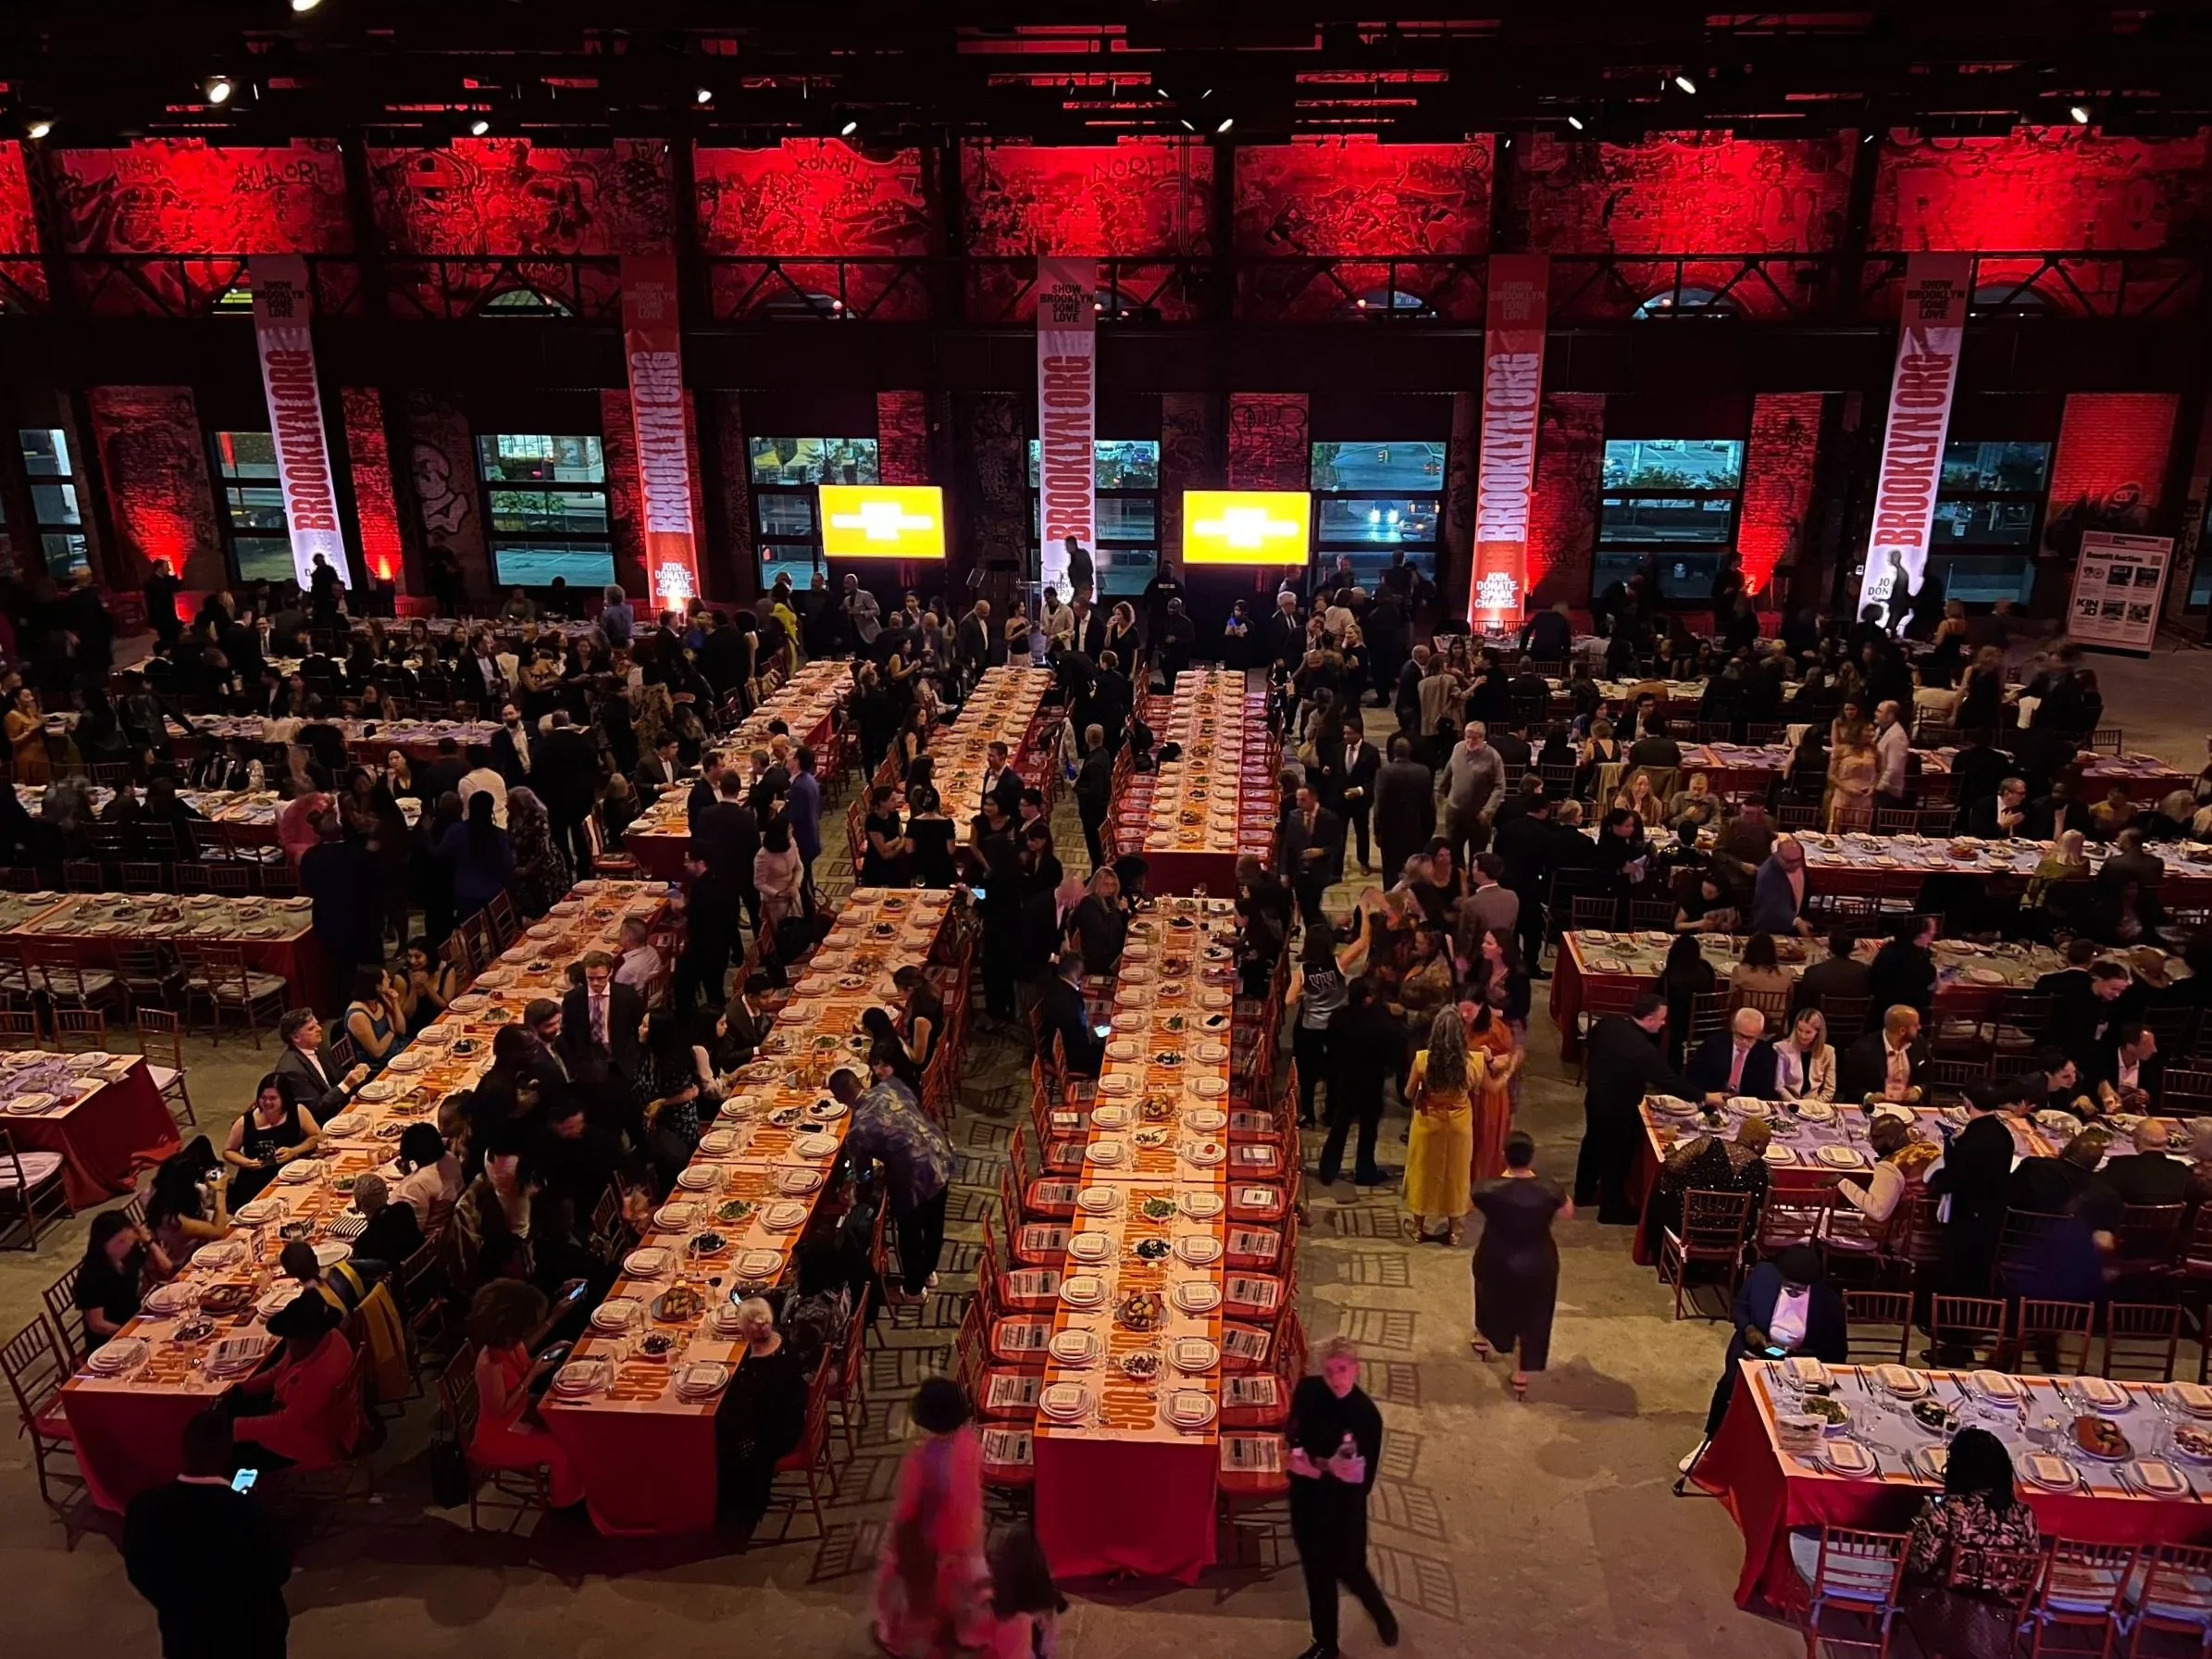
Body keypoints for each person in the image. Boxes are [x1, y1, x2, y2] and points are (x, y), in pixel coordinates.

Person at [124, 1409, 292, 1659]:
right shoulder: (248, 1510)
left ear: (184, 1451)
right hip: (252, 1636)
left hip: (184, 1636)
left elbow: (139, 1573)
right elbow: (278, 1570)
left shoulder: (142, 1507)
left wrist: (177, 1604)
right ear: (228, 1455)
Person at [1286, 1335, 1397, 1659]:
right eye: (1330, 1370)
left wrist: (1314, 1466)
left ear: (1356, 1369)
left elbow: (1359, 1481)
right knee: (1316, 1575)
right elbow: (1295, 1434)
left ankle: (1382, 1615)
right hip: (1306, 1501)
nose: (1337, 1378)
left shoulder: (1365, 1417)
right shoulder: (1308, 1391)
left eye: (1343, 1369)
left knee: (1351, 1570)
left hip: (1343, 1512)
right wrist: (1314, 1462)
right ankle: (1325, 1644)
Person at [1691, 1244, 1846, 1465]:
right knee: (1728, 1386)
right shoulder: (1763, 1275)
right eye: (1788, 1286)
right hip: (1756, 1349)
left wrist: (1798, 1357)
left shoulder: (1829, 1303)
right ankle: (1711, 1440)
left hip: (1798, 1360)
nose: (1792, 1292)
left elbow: (1836, 1351)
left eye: (1799, 1290)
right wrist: (1749, 1328)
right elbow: (1740, 1307)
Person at [1896, 1428, 2043, 1659]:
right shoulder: (2024, 1514)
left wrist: (1918, 1524)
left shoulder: (1947, 1514)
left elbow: (1918, 1564)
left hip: (1946, 1615)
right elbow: (2030, 1566)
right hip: (2000, 1619)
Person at [873, 1378, 988, 1657]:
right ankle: (965, 1632)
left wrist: (896, 1543)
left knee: (910, 1599)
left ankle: (900, 1641)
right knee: (964, 1592)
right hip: (965, 1534)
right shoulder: (969, 1443)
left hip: (932, 1543)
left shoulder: (922, 1459)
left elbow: (908, 1510)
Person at [832, 1060, 954, 1301]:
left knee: (909, 1231)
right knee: (934, 1223)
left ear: (839, 1100)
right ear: (860, 1083)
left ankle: (913, 1289)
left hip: (914, 1178)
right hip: (939, 1155)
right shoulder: (891, 1088)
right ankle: (929, 1271)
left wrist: (862, 1199)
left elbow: (864, 1175)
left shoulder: (858, 1130)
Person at [466, 1280, 586, 1508]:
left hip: (522, 1412)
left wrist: (547, 1352)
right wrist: (532, 1375)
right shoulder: (489, 1364)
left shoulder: (507, 1343)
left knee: (570, 1426)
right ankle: (565, 1503)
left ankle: (578, 1488)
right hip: (501, 1433)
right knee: (559, 1449)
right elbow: (499, 1410)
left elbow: (525, 1352)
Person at [1470, 1130, 1570, 1400]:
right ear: (1531, 1157)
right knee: (1533, 1314)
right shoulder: (1550, 1190)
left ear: (1505, 1155)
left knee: (1487, 1293)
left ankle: (1482, 1336)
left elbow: (1475, 1203)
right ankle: (1520, 1373)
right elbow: (1567, 1213)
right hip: (1537, 1259)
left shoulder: (1486, 1189)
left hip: (1497, 1255)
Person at [1576, 993, 1687, 1223]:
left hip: (1595, 1097)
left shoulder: (1608, 1024)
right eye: (1661, 1018)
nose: (1664, 1023)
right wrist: (1704, 1097)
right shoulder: (1642, 1049)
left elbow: (1590, 1045)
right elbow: (1668, 1080)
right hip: (1619, 1108)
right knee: (1617, 1157)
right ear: (1648, 1019)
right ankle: (1612, 1209)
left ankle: (1583, 1192)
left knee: (1592, 1144)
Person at [229, 1293, 362, 1471]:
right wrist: (242, 1388)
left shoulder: (320, 1374)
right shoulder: (328, 1337)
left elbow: (284, 1423)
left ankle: (253, 1493)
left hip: (318, 1438)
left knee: (238, 1451)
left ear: (306, 1337)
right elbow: (278, 1371)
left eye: (289, 1337)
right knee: (239, 1405)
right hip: (313, 1416)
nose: (286, 1341)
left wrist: (234, 1428)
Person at [715, 1297, 811, 1534]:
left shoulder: (755, 1373)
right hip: (793, 1419)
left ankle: (737, 1509)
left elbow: (742, 1414)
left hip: (775, 1437)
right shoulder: (784, 1341)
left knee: (718, 1435)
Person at [1318, 978, 1402, 1188]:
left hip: (1346, 1078)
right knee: (1368, 1128)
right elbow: (1393, 1050)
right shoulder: (1381, 1021)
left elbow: (1330, 1043)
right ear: (1367, 998)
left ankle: (1328, 1169)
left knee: (1340, 1124)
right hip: (1372, 1081)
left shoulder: (1338, 1017)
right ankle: (1364, 1171)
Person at [1402, 1006, 1475, 1243]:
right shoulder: (1471, 1062)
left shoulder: (1423, 1059)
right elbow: (1479, 1086)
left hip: (1428, 1122)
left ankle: (1417, 1228)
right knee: (1456, 1174)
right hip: (1459, 1125)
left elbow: (1407, 1093)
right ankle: (1455, 1231)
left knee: (1422, 1172)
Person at [223, 1072, 328, 1208]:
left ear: (284, 1098)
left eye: (273, 1098)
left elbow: (318, 1136)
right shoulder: (245, 1121)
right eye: (263, 1098)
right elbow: (228, 1151)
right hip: (255, 1182)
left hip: (291, 1175)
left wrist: (294, 1151)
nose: (267, 1102)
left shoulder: (298, 1112)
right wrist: (247, 1162)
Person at [75, 1208, 168, 1351]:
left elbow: (166, 1268)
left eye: (128, 1239)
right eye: (120, 1241)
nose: (128, 1244)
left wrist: (148, 1241)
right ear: (103, 1243)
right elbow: (97, 1324)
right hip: (111, 1340)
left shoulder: (128, 1254)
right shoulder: (90, 1276)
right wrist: (132, 1332)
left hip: (137, 1321)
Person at [1837, 1004, 1926, 1103]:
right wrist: (1868, 1096)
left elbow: (1928, 1077)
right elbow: (1849, 1083)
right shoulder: (1863, 1049)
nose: (1919, 1027)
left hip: (1908, 1107)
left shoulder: (1919, 1045)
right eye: (1915, 1025)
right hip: (1876, 1108)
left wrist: (1918, 1090)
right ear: (1902, 1030)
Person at [1687, 1005, 1781, 1100]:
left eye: (1750, 1038)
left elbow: (1764, 1093)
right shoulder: (1713, 1044)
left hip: (1746, 1106)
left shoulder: (1767, 1054)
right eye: (1741, 1036)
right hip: (1713, 1101)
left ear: (1759, 1035)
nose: (1744, 1042)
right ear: (1733, 1029)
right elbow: (1695, 1079)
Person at [2102, 1116, 2192, 1206]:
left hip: (2127, 1220)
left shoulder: (2118, 1166)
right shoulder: (2181, 1171)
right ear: (2166, 1142)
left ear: (2136, 1140)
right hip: (2170, 1220)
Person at [1791, 929, 1871, 1018]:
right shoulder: (1865, 971)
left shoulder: (1813, 972)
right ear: (1853, 947)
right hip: (1855, 1025)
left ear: (1830, 945)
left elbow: (1801, 1005)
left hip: (1819, 1024)